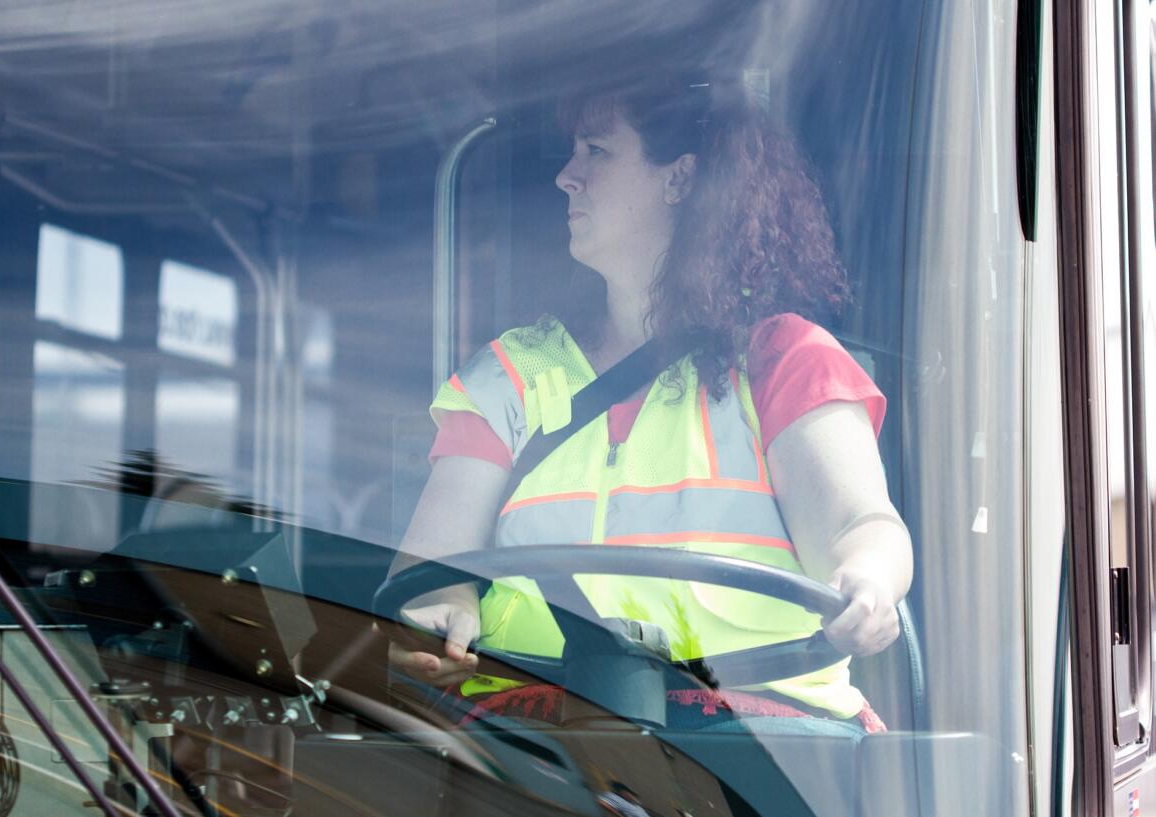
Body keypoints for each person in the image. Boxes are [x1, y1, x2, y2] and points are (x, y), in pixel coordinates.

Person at [388, 66, 912, 737]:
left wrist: (868, 580)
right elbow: (430, 569)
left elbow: (860, 527)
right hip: (539, 754)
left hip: (769, 760)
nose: (566, 176)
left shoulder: (786, 362)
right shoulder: (509, 378)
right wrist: (438, 610)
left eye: (596, 151)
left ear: (679, 178)